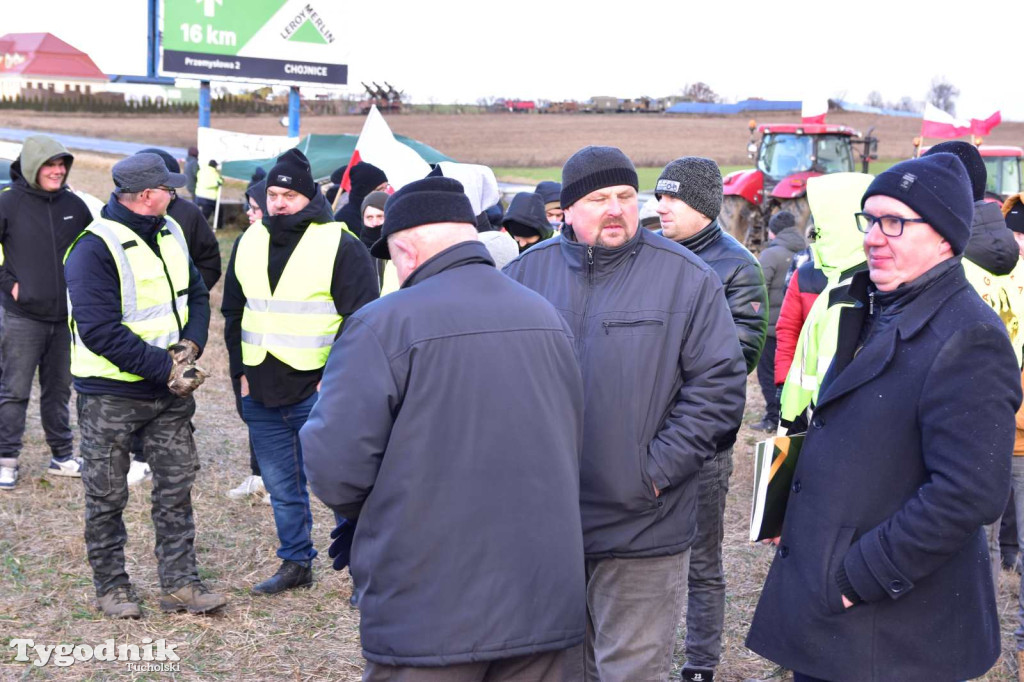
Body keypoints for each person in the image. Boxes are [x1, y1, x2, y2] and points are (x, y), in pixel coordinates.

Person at [746, 153, 1022, 682]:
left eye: (894, 222)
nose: (873, 237)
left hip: (894, 632)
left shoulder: (969, 336)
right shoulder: (871, 306)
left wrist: (860, 577)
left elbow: (969, 493)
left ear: (943, 237)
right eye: (869, 220)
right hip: (832, 611)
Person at [302, 175, 587, 681]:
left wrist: (381, 516)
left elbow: (334, 466)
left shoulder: (381, 324)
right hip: (543, 598)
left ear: (406, 250)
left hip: (429, 608)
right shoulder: (546, 315)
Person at [504, 146, 746, 681]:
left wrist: (652, 473)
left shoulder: (686, 277)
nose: (615, 208)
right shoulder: (523, 276)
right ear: (566, 209)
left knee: (631, 672)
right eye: (598, 199)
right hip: (549, 524)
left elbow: (719, 388)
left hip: (643, 524)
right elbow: (495, 387)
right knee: (558, 669)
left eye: (625, 196)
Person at [64, 152, 225, 618]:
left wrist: (192, 343)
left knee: (176, 487)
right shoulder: (94, 247)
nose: (175, 195)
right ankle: (112, 588)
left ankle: (180, 585)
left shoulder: (170, 229)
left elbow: (196, 293)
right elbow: (99, 331)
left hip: (168, 394)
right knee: (106, 495)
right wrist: (166, 369)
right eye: (169, 189)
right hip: (110, 395)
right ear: (148, 195)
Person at [221, 149, 379, 594]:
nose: (279, 202)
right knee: (281, 487)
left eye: (288, 195)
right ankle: (296, 562)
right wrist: (240, 374)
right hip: (261, 386)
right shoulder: (249, 241)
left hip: (319, 389)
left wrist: (336, 378)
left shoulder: (340, 243)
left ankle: (363, 571)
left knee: (341, 484)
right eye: (272, 194)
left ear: (309, 196)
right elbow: (233, 312)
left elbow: (362, 320)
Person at [655, 156, 768, 682]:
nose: (661, 207)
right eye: (659, 196)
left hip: (704, 443)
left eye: (672, 198)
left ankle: (700, 663)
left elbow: (739, 355)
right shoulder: (650, 255)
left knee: (701, 562)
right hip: (643, 434)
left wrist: (657, 371)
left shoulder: (737, 266)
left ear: (702, 203)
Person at [125, 148, 224, 486]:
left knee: (176, 391)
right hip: (137, 329)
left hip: (179, 329)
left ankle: (164, 454)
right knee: (138, 394)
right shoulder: (121, 221)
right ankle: (140, 454)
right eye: (167, 185)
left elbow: (209, 261)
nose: (172, 190)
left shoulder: (187, 216)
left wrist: (188, 296)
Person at [0, 135, 92, 489]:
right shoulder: (8, 203)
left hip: (65, 319)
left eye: (61, 165)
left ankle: (62, 456)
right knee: (14, 391)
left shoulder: (75, 206)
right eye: (49, 165)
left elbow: (91, 252)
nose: (57, 171)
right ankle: (6, 460)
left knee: (59, 391)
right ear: (31, 167)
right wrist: (11, 285)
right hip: (22, 317)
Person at [777, 173, 873, 432]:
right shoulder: (839, 284)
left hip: (814, 435)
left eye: (820, 225)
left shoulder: (849, 296)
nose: (815, 234)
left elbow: (830, 386)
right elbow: (788, 330)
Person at [224, 177, 270, 502]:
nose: (249, 214)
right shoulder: (244, 242)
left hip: (284, 353)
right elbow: (233, 303)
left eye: (255, 208)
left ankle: (278, 482)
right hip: (246, 347)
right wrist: (237, 362)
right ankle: (258, 475)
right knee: (251, 412)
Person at [754, 211, 807, 432]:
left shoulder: (770, 255)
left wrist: (753, 319)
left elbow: (757, 290)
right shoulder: (805, 252)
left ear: (773, 231)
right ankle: (790, 415)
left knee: (767, 374)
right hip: (797, 327)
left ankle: (773, 417)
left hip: (771, 328)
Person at [333, 162, 388, 240]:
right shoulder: (344, 220)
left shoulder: (388, 208)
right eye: (379, 189)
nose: (385, 193)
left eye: (386, 188)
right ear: (363, 191)